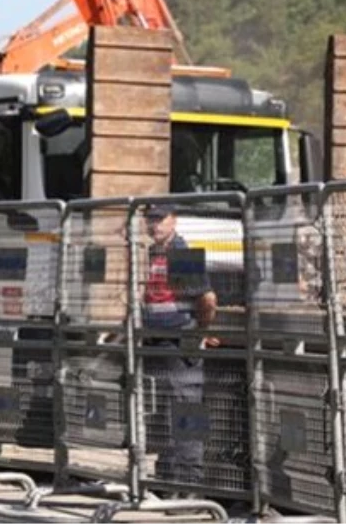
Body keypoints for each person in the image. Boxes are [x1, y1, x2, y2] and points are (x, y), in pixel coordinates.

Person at [141, 203, 217, 490]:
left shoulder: (182, 253)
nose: (154, 225)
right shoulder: (152, 254)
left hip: (180, 339)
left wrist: (200, 332)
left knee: (187, 409)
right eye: (150, 219)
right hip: (157, 339)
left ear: (174, 220)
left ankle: (189, 483)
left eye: (160, 219)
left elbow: (207, 300)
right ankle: (167, 478)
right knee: (163, 410)